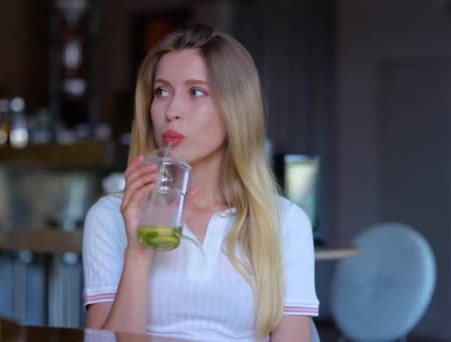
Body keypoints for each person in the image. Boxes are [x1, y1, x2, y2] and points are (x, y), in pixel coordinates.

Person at [82, 23, 319, 341]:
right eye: (162, 91)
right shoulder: (110, 216)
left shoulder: (285, 222)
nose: (171, 111)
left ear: (235, 110)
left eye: (196, 92)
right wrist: (137, 253)